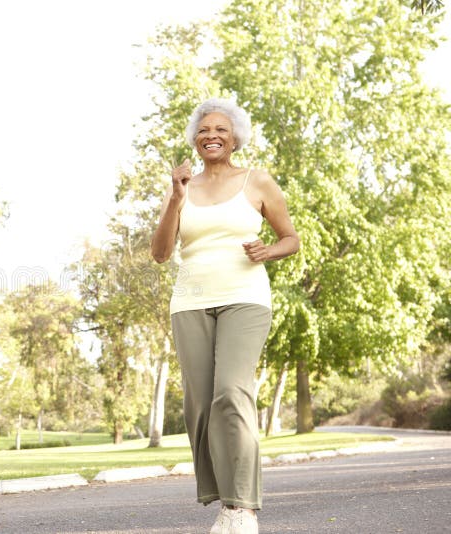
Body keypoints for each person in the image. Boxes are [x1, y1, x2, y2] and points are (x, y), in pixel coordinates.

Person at [151, 98, 300, 534]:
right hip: (190, 302)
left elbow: (290, 237)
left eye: (220, 129)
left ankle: (243, 508)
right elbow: (160, 254)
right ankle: (225, 504)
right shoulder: (182, 188)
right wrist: (175, 200)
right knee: (200, 406)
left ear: (235, 137)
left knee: (232, 392)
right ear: (194, 140)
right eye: (203, 130)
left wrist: (268, 250)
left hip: (245, 297)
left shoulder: (257, 181)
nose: (210, 135)